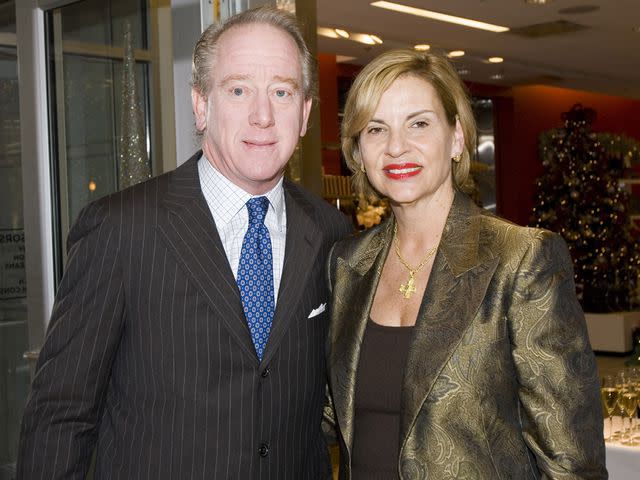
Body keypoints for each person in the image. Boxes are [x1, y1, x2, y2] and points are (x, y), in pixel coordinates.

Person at [17, 6, 352, 479]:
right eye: (238, 90)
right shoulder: (121, 230)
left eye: (281, 91)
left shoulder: (331, 234)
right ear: (201, 105)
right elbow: (60, 417)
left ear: (304, 113)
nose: (262, 115)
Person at [325, 49, 607, 479]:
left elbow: (570, 459)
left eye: (419, 123)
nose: (397, 146)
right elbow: (329, 411)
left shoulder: (521, 259)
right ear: (359, 152)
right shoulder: (347, 263)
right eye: (376, 129)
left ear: (456, 137)